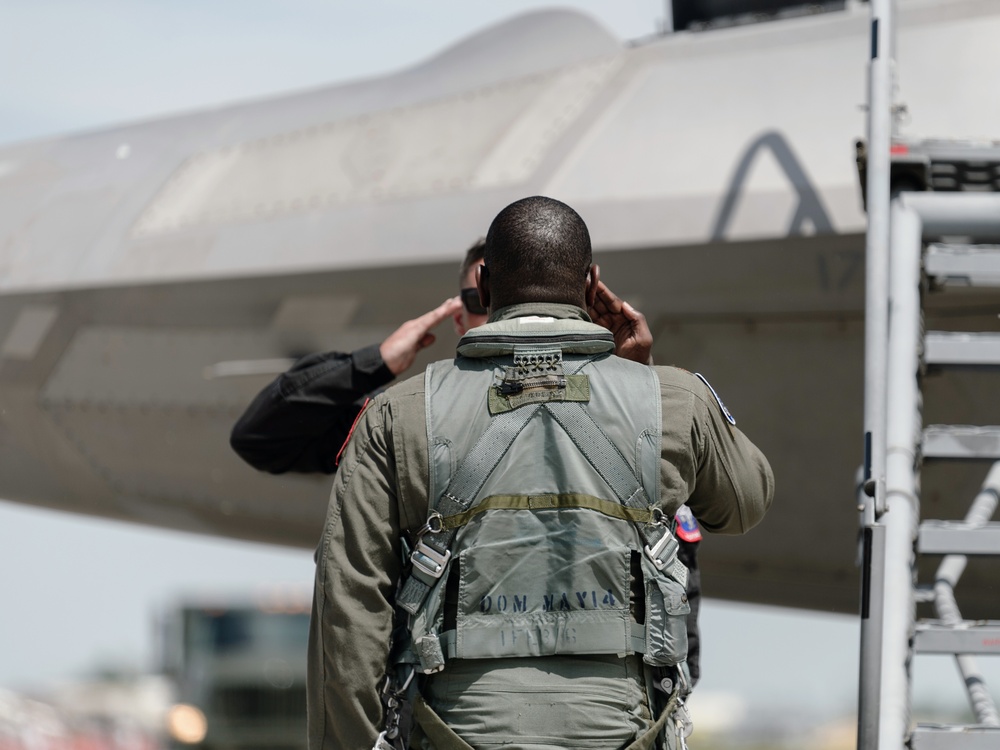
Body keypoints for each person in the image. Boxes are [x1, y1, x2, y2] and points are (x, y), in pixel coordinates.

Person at [307, 196, 773, 749]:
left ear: (482, 284)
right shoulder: (675, 400)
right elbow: (745, 503)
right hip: (623, 731)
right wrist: (643, 380)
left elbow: (349, 609)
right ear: (592, 281)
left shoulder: (396, 414)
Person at [230, 240, 706, 684]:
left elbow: (688, 553)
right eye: (487, 300)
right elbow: (262, 438)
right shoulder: (415, 429)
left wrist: (635, 382)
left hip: (610, 712)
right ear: (461, 315)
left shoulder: (631, 419)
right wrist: (373, 363)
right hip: (452, 712)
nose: (508, 314)